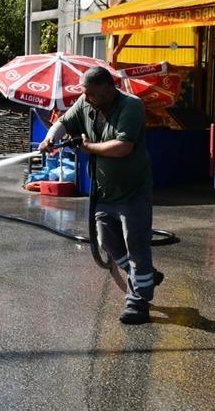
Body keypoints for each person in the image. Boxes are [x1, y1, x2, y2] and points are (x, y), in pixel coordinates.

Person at [39, 66, 163, 325]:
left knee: (136, 244)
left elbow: (123, 147)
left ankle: (138, 302)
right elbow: (63, 122)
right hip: (103, 191)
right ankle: (144, 275)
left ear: (109, 89)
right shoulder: (86, 103)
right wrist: (51, 139)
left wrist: (88, 148)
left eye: (93, 93)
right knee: (106, 239)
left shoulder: (131, 106)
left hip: (133, 191)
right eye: (85, 93)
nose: (87, 98)